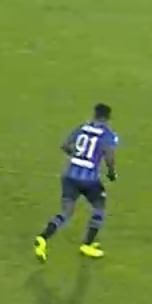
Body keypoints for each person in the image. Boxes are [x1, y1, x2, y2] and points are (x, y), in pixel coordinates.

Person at [34, 103, 118, 261]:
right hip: (89, 180)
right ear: (108, 117)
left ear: (94, 114)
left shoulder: (82, 128)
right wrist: (111, 172)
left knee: (66, 212)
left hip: (69, 177)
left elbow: (65, 146)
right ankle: (87, 245)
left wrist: (77, 156)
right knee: (99, 206)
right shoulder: (107, 134)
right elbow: (109, 154)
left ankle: (43, 237)